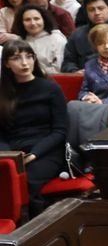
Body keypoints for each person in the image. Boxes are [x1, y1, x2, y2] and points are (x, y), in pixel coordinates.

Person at [0, 39, 68, 215]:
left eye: (29, 57)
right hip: (12, 152)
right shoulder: (2, 92)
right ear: (7, 64)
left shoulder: (50, 88)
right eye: (16, 58)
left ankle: (28, 230)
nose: (24, 63)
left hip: (46, 150)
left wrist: (34, 153)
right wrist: (9, 154)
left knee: (25, 182)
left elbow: (60, 131)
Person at [13, 4, 67, 74]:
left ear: (44, 20)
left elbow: (60, 67)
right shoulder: (19, 41)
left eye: (36, 19)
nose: (33, 23)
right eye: (27, 20)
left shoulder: (57, 39)